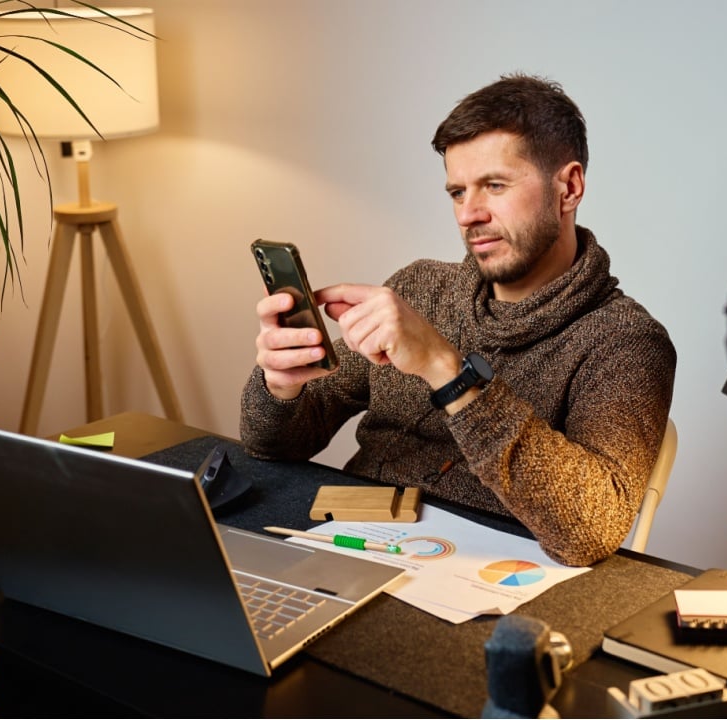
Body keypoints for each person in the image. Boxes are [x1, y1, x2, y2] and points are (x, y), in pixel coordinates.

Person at [240, 74, 676, 566]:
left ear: (569, 188)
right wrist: (282, 386)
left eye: (495, 186)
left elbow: (591, 531)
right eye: (457, 192)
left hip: (487, 583)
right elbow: (275, 444)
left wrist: (447, 371)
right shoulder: (419, 287)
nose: (468, 215)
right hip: (348, 548)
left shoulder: (627, 343)